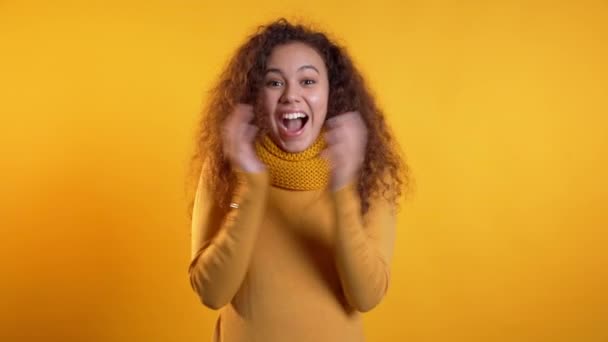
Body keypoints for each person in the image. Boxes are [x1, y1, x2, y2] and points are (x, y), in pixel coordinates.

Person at [186, 18, 410, 342]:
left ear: (331, 93)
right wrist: (250, 188)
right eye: (274, 83)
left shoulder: (366, 170)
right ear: (256, 94)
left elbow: (367, 295)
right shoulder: (227, 165)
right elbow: (212, 292)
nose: (291, 95)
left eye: (307, 81)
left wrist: (342, 187)